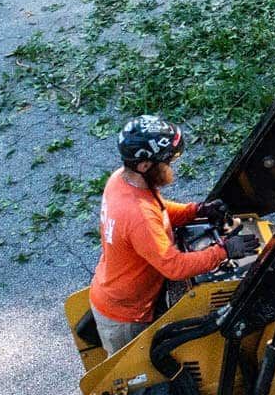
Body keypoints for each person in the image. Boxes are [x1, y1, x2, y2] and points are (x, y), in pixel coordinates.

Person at [89, 115, 246, 356]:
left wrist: (196, 211)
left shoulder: (123, 181)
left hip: (119, 293)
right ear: (145, 166)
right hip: (126, 317)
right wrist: (224, 251)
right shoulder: (137, 215)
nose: (170, 168)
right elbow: (174, 267)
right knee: (142, 387)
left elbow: (158, 211)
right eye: (166, 162)